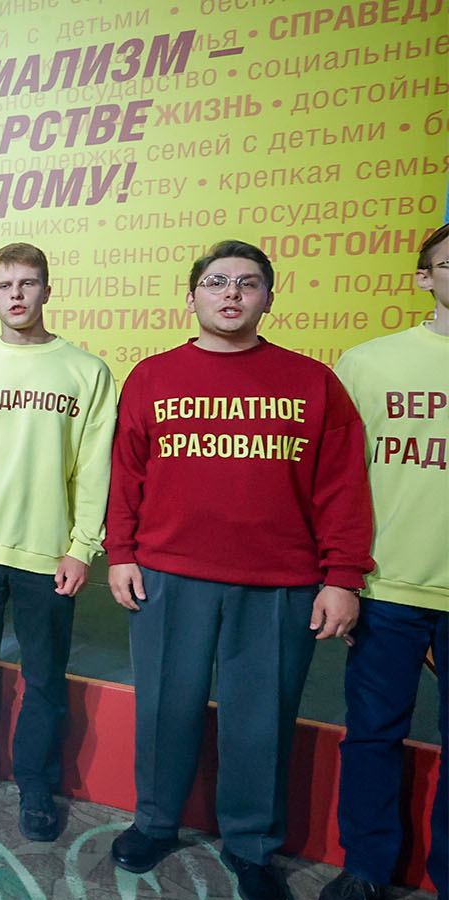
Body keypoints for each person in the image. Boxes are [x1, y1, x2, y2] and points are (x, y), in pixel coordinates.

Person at [104, 240, 374, 900]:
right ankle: (155, 822)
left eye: (248, 283)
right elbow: (127, 474)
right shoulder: (151, 377)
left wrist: (342, 576)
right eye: (217, 282)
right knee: (164, 709)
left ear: (268, 299)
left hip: (279, 582)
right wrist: (121, 553)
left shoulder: (313, 382)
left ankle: (252, 845)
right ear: (191, 297)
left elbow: (342, 487)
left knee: (261, 722)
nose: (231, 293)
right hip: (167, 575)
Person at [0, 242, 116, 841]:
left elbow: (95, 470)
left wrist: (83, 546)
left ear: (47, 290)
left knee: (45, 677)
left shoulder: (86, 372)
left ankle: (35, 782)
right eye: (5, 285)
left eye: (28, 283)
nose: (16, 294)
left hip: (47, 553)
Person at [321, 225, 448, 900]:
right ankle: (367, 868)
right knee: (373, 734)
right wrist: (338, 577)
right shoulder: (369, 364)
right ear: (424, 277)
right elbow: (337, 480)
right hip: (388, 585)